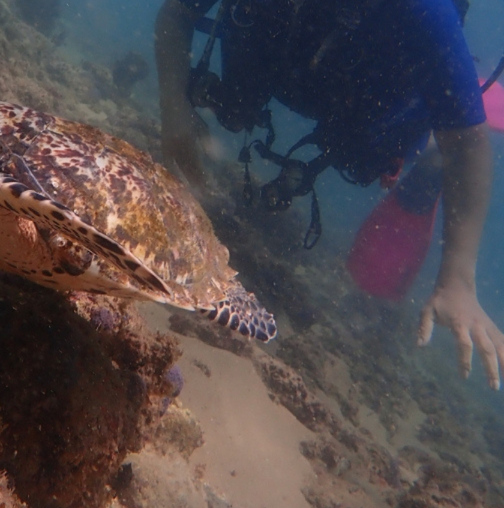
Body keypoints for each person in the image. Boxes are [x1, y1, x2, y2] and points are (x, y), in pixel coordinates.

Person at [154, 0, 504, 390]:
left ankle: (450, 108)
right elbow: (178, 12)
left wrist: (458, 278)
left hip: (366, 90)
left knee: (370, 161)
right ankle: (451, 94)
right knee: (233, 108)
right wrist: (176, 110)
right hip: (283, 52)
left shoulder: (422, 8)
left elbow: (467, 145)